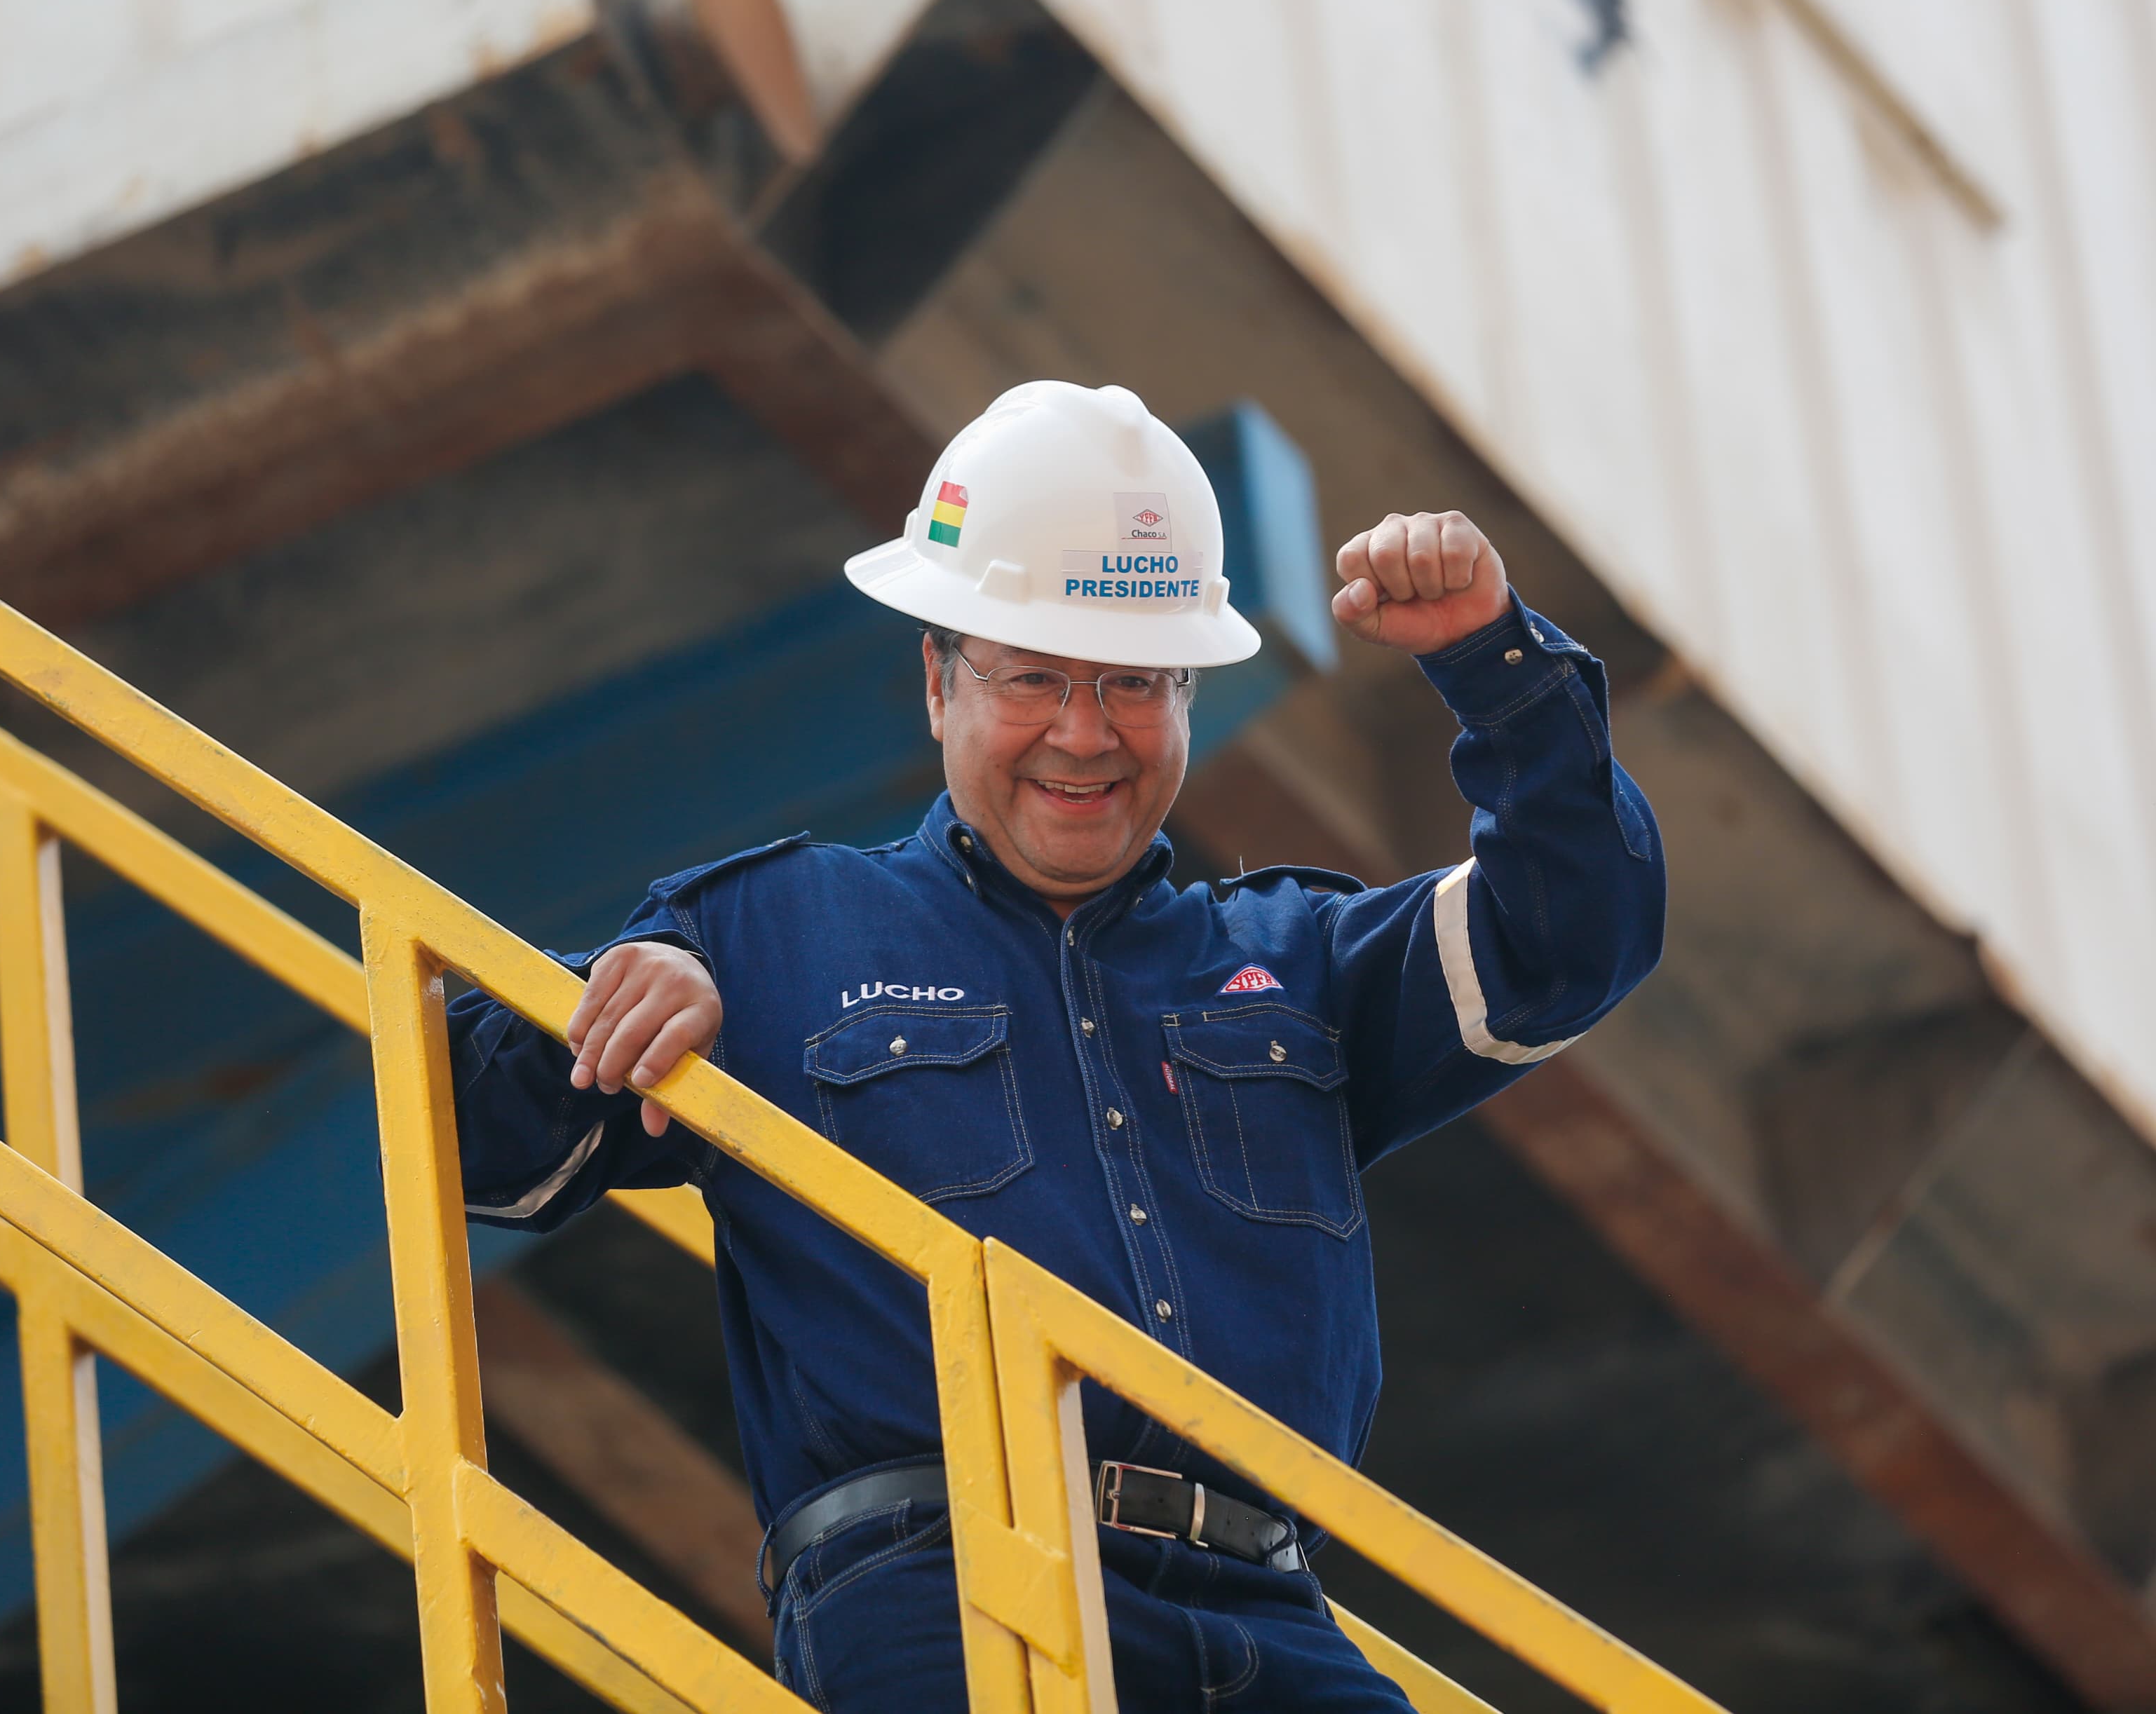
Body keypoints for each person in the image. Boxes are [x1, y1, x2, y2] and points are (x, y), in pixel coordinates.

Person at [447, 380, 1665, 1710]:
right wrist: (604, 1000)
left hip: (1270, 1610)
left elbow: (1576, 938)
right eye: (1032, 675)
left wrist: (1498, 667)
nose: (1084, 735)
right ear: (938, 682)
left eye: (1133, 682)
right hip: (949, 1586)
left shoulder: (1299, 960)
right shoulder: (763, 934)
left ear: (1187, 694)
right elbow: (469, 1134)